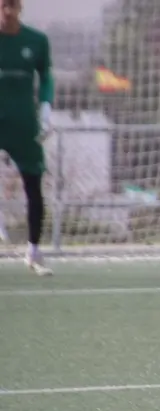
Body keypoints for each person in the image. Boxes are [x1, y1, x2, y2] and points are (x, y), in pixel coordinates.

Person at [0, 0, 53, 276]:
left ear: (20, 8)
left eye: (12, 5)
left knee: (33, 184)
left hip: (23, 124)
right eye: (2, 6)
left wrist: (46, 109)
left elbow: (46, 77)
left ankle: (33, 250)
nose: (7, 12)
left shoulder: (36, 41)